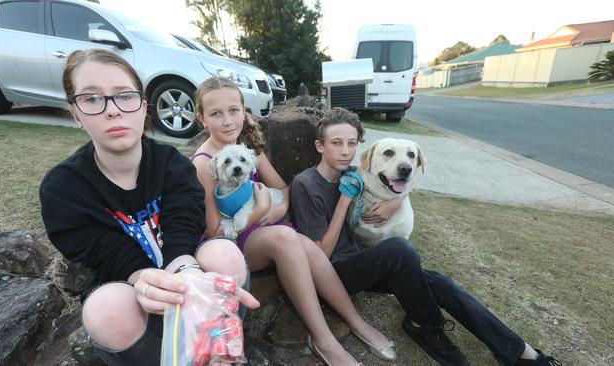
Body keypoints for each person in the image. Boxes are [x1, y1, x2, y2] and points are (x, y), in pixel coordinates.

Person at [290, 107, 562, 366]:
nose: (346, 151)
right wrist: (343, 202)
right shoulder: (307, 184)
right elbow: (319, 255)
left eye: (351, 143)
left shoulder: (351, 174)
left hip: (364, 262)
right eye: (336, 143)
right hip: (332, 276)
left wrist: (397, 201)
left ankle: (520, 352)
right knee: (401, 249)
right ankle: (428, 327)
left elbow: (396, 178)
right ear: (320, 146)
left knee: (440, 282)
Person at [39, 49, 258, 366]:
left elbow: (184, 223)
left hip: (190, 278)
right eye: (91, 98)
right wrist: (141, 277)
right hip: (132, 292)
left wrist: (185, 273)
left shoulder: (172, 165)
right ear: (75, 113)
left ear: (142, 106)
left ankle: (220, 351)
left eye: (124, 96)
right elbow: (103, 252)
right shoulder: (63, 189)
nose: (113, 111)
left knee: (223, 254)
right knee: (105, 309)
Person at [191, 76, 397, 365]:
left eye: (233, 111)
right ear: (201, 118)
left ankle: (357, 322)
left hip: (261, 226)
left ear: (244, 111)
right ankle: (323, 340)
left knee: (309, 248)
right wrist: (262, 209)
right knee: (287, 239)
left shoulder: (249, 151)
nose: (227, 121)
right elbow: (212, 230)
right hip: (231, 242)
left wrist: (277, 207)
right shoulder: (204, 163)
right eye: (216, 114)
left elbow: (283, 188)